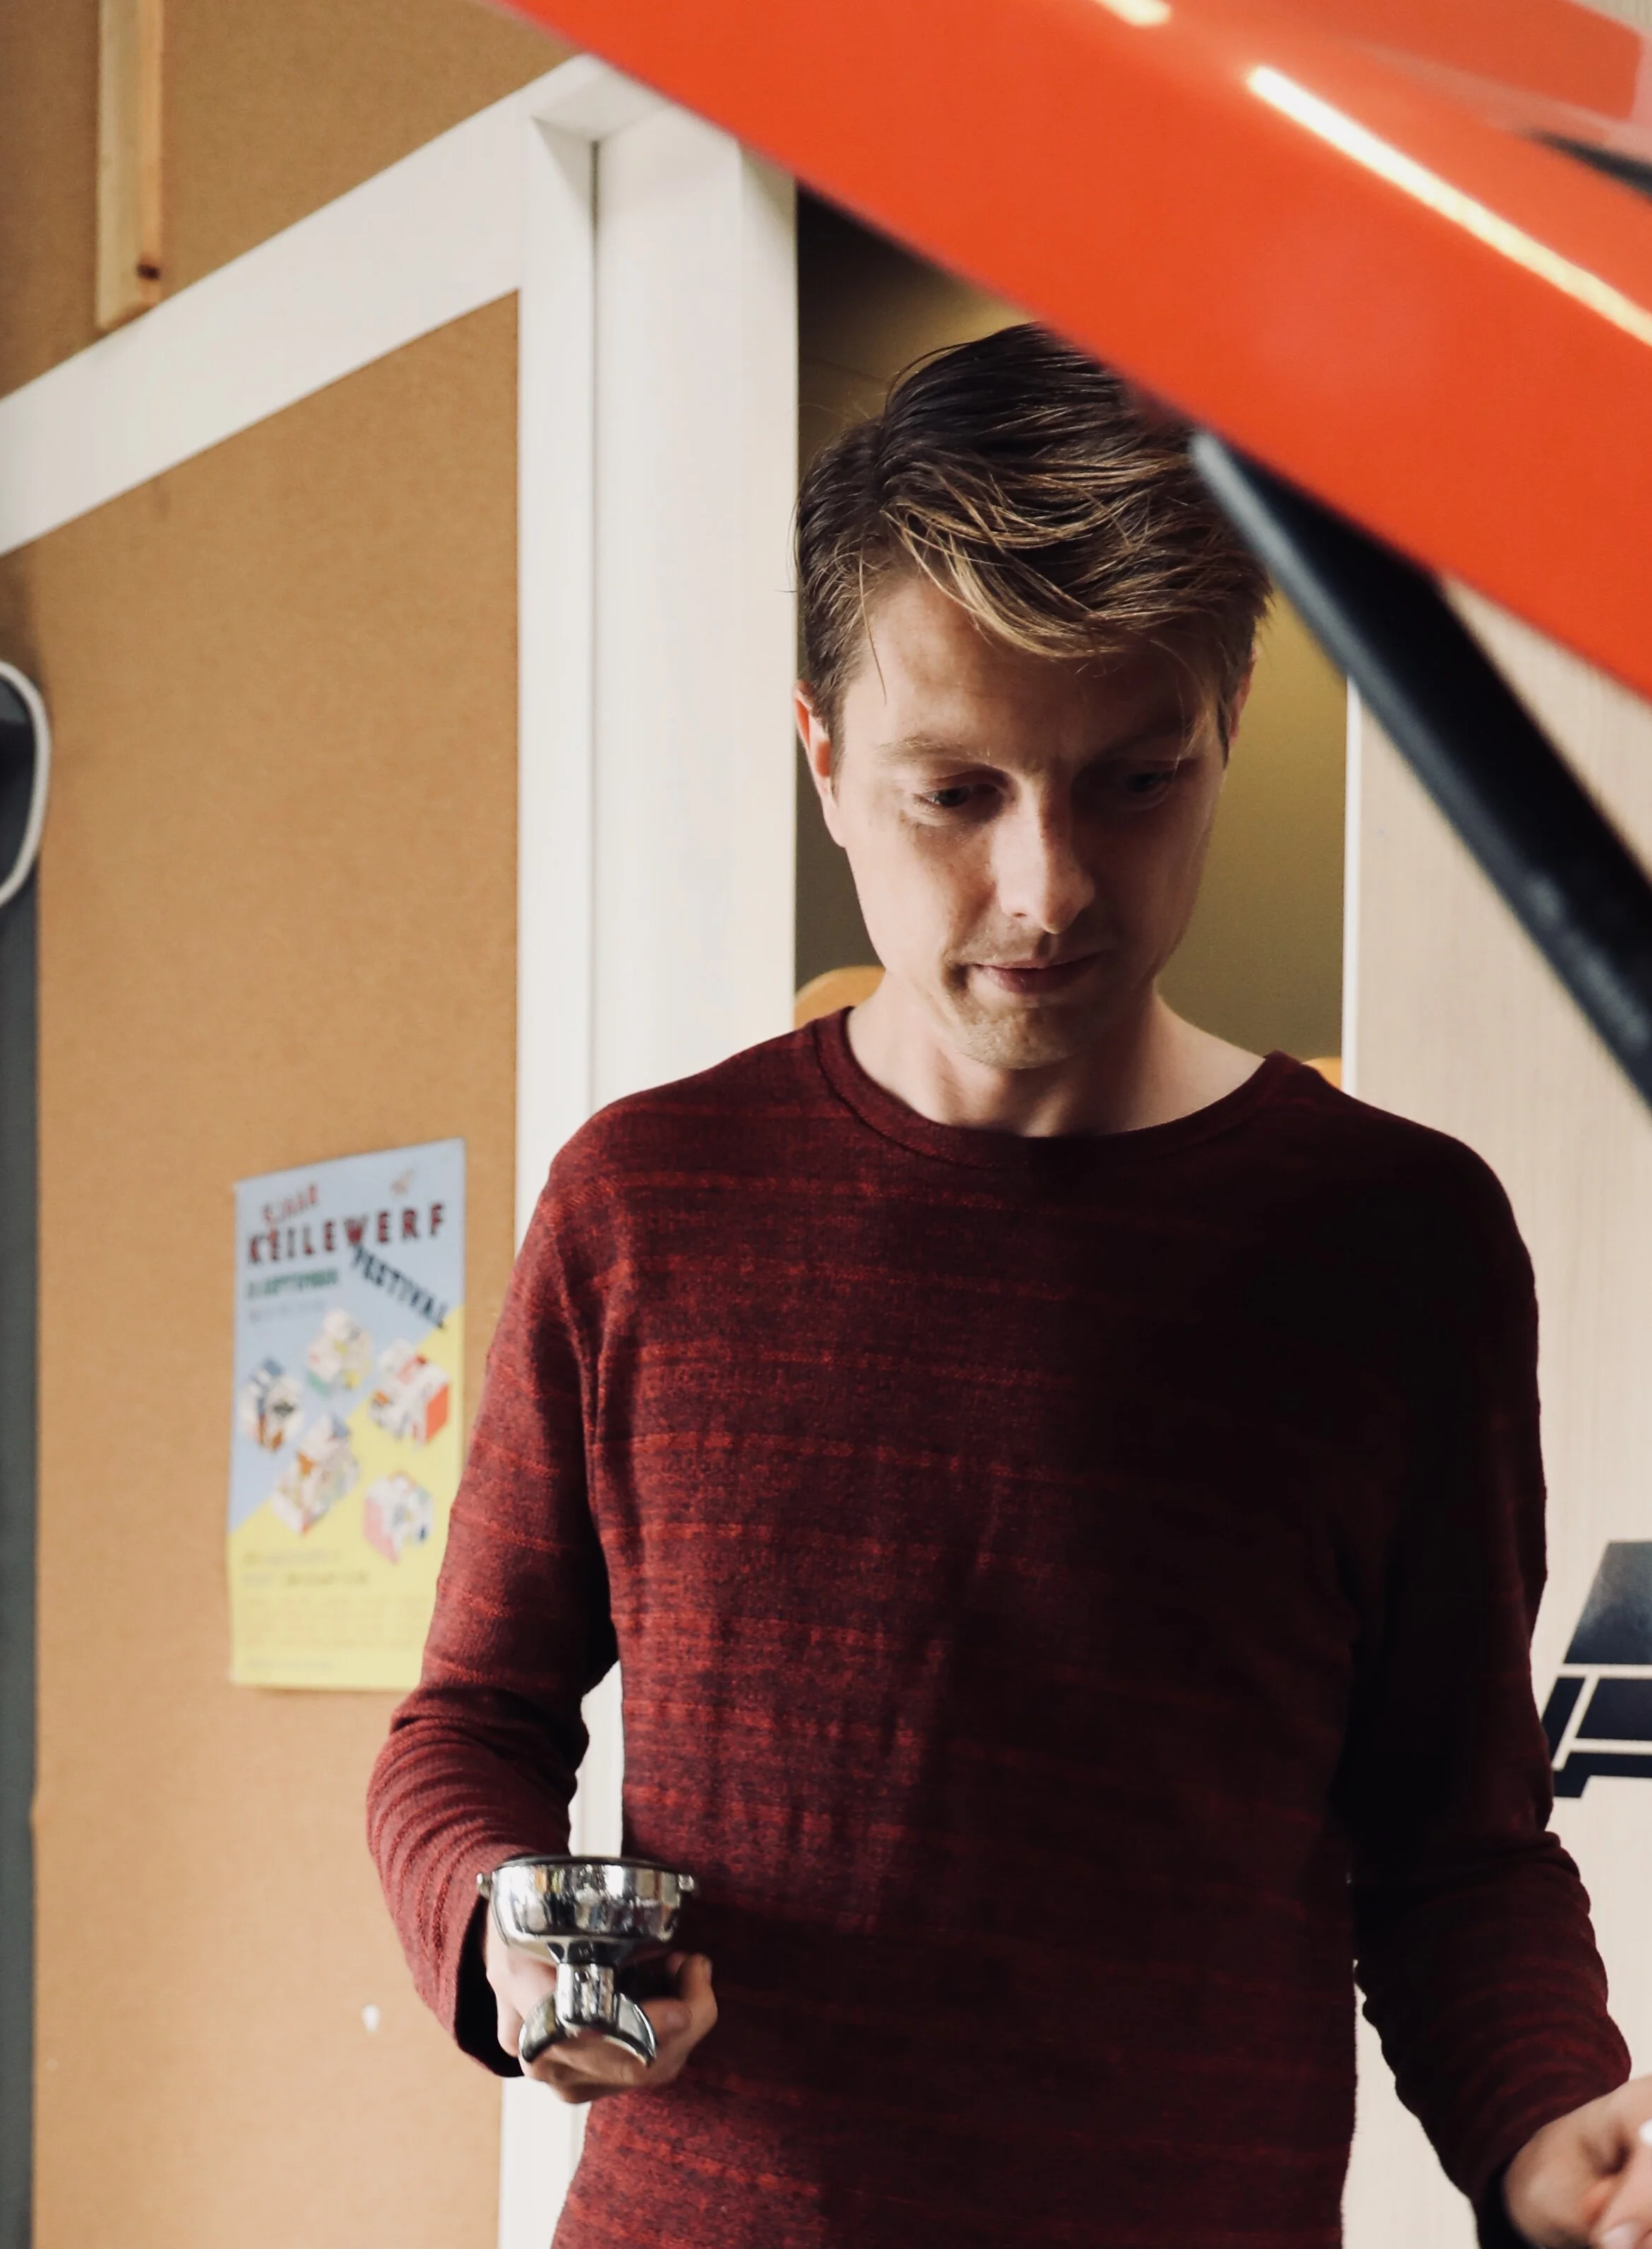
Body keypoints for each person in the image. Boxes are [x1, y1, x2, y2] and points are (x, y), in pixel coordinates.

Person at [368, 326, 1652, 2249]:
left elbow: (1454, 1842)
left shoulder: (1400, 1244)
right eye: (953, 792)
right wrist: (503, 1927)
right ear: (823, 759)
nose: (1046, 886)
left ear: (1226, 727)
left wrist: (1546, 2125)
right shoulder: (642, 1204)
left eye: (1132, 779)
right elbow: (467, 1721)